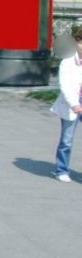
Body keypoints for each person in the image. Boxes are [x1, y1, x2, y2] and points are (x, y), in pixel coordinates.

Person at [50, 27, 82, 182]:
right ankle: (61, 170)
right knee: (67, 139)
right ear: (76, 42)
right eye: (81, 42)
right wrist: (74, 104)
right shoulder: (68, 62)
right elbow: (65, 85)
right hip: (73, 103)